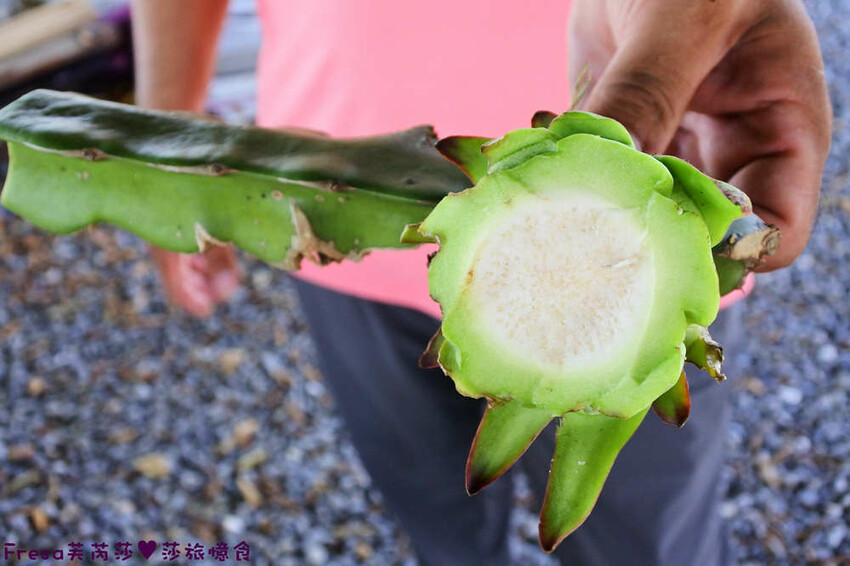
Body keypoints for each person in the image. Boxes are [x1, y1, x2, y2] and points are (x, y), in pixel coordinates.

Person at [131, 1, 831, 564]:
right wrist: (166, 141)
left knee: (647, 544)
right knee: (436, 518)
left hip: (649, 253)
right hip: (331, 219)